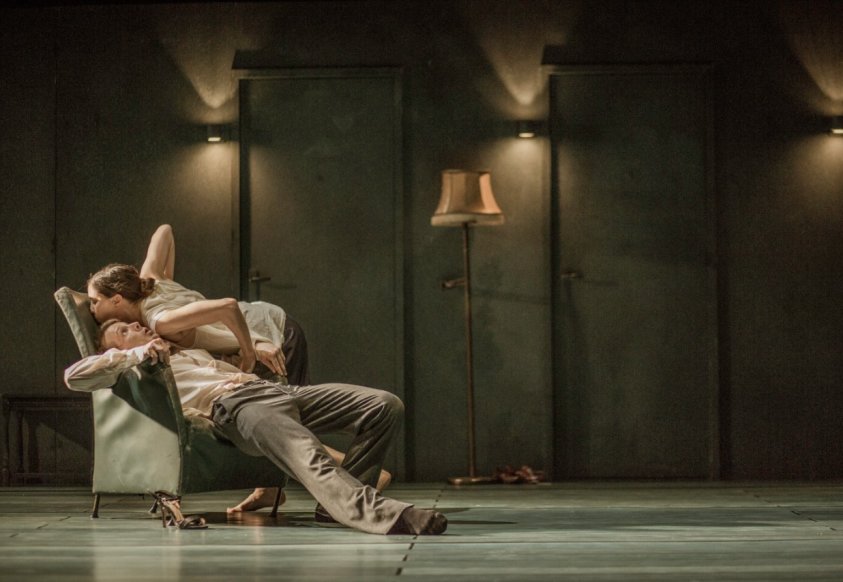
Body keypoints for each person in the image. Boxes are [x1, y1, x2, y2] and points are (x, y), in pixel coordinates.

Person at [85, 224, 390, 512]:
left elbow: (228, 307)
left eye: (94, 301)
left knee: (283, 425)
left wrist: (249, 349)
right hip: (267, 322)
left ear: (117, 299)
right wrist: (169, 281)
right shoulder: (151, 282)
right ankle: (280, 490)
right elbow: (164, 231)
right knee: (273, 423)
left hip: (273, 335)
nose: (90, 308)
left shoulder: (160, 318)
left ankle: (354, 487)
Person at [64, 319, 447, 536]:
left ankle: (333, 509)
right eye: (123, 330)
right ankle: (381, 514)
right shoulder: (134, 364)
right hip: (238, 408)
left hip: (277, 392)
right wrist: (133, 353)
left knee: (383, 405)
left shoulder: (186, 351)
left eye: (131, 324)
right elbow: (75, 377)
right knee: (307, 453)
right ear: (112, 349)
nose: (135, 325)